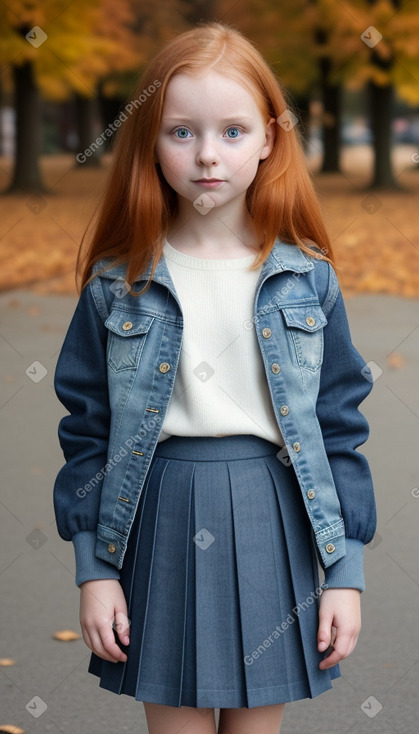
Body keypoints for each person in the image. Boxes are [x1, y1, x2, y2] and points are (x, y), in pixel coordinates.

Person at [53, 20, 377, 734]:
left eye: (232, 131)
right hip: (156, 514)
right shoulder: (117, 286)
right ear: (149, 141)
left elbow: (338, 429)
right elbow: (87, 433)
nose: (207, 155)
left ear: (269, 137)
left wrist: (343, 574)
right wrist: (95, 571)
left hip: (274, 517)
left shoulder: (306, 281)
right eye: (180, 132)